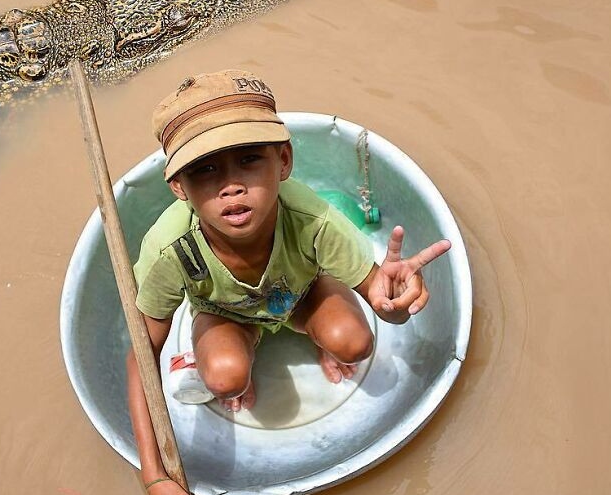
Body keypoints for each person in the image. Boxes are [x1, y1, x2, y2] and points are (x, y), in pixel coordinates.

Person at [126, 69, 451, 494]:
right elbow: (140, 357)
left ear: (283, 161)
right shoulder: (170, 249)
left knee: (355, 341)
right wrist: (153, 475)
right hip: (225, 313)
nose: (231, 187)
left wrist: (396, 304)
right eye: (205, 170)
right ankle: (241, 343)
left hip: (302, 295)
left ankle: (313, 335)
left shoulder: (311, 219)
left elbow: (382, 301)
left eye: (248, 159)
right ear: (178, 186)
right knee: (225, 376)